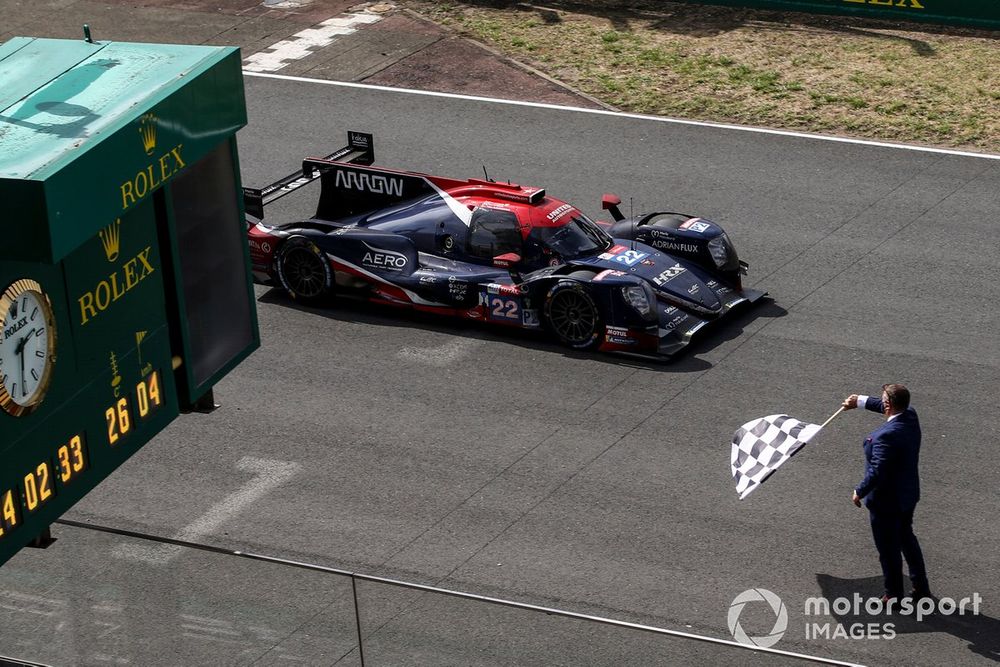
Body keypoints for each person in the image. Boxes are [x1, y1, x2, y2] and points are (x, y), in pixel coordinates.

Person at [842, 384, 930, 602]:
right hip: (907, 494)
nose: (880, 403)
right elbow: (887, 406)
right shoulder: (909, 416)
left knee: (888, 549)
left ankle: (893, 594)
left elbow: (878, 470)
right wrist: (860, 401)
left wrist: (859, 491)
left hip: (886, 502)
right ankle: (920, 585)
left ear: (889, 405)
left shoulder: (886, 436)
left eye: (883, 400)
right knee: (907, 539)